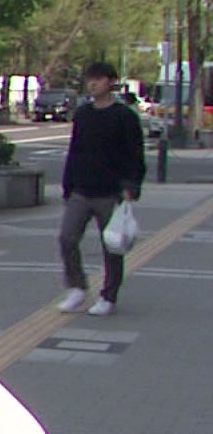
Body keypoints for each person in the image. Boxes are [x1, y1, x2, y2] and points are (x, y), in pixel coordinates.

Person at [56, 60, 145, 317]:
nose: (93, 84)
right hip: (81, 190)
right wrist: (68, 185)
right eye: (90, 79)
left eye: (99, 79)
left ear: (111, 82)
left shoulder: (124, 117)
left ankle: (108, 296)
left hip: (111, 192)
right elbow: (75, 151)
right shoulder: (83, 114)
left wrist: (130, 186)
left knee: (112, 245)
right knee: (67, 237)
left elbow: (134, 155)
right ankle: (76, 287)